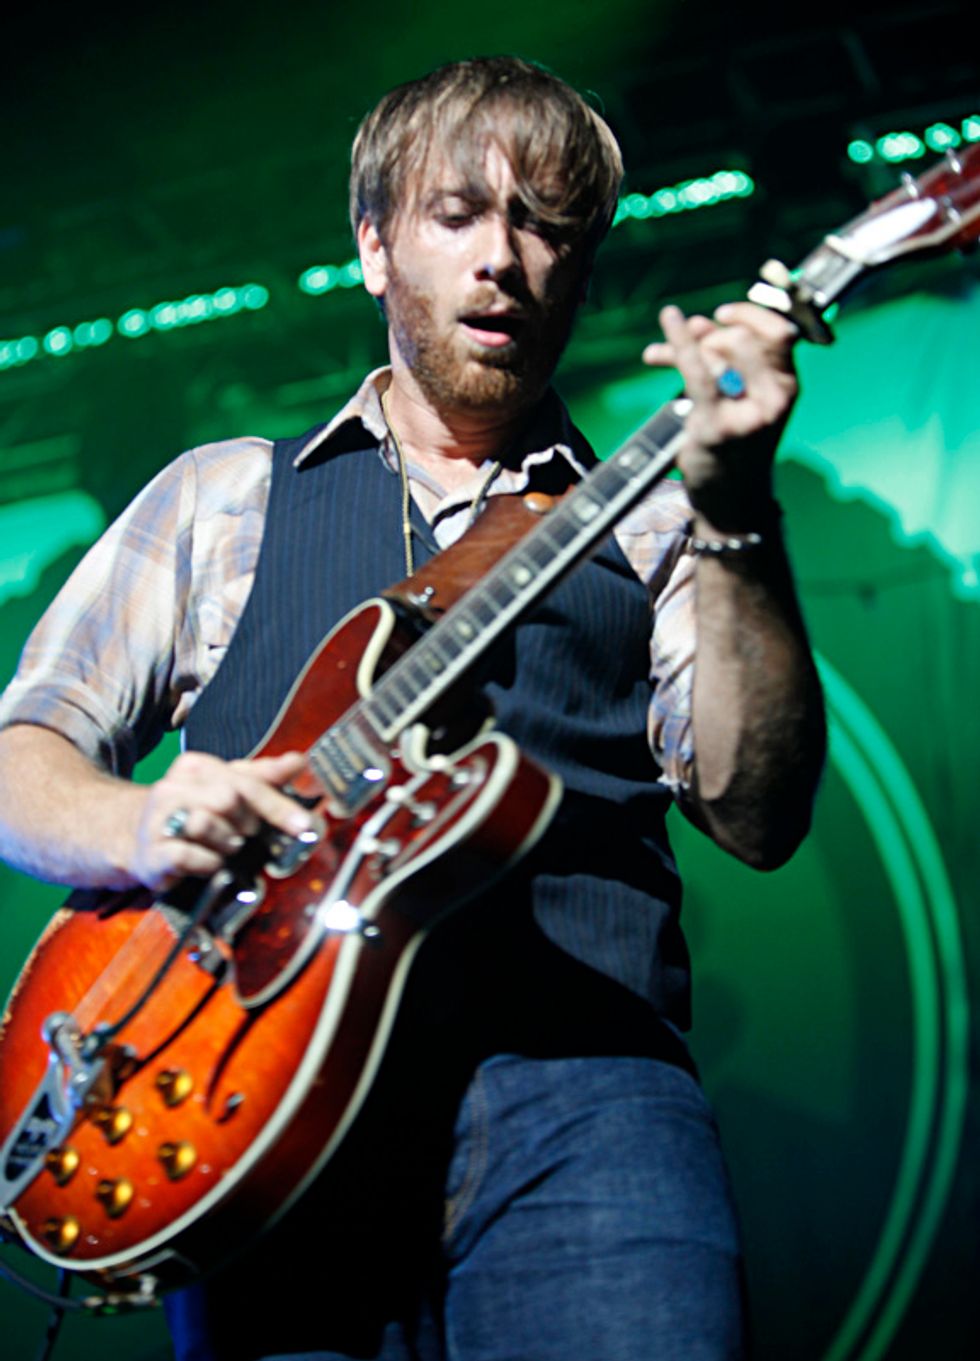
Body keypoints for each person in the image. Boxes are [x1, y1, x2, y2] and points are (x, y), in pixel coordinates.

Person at [0, 56, 825, 1361]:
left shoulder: (663, 520)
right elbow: (21, 759)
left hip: (588, 1101)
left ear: (584, 266)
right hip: (256, 1099)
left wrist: (738, 515)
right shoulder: (223, 496)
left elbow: (759, 811)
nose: (503, 259)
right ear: (375, 247)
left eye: (547, 226)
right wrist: (140, 825)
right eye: (458, 215)